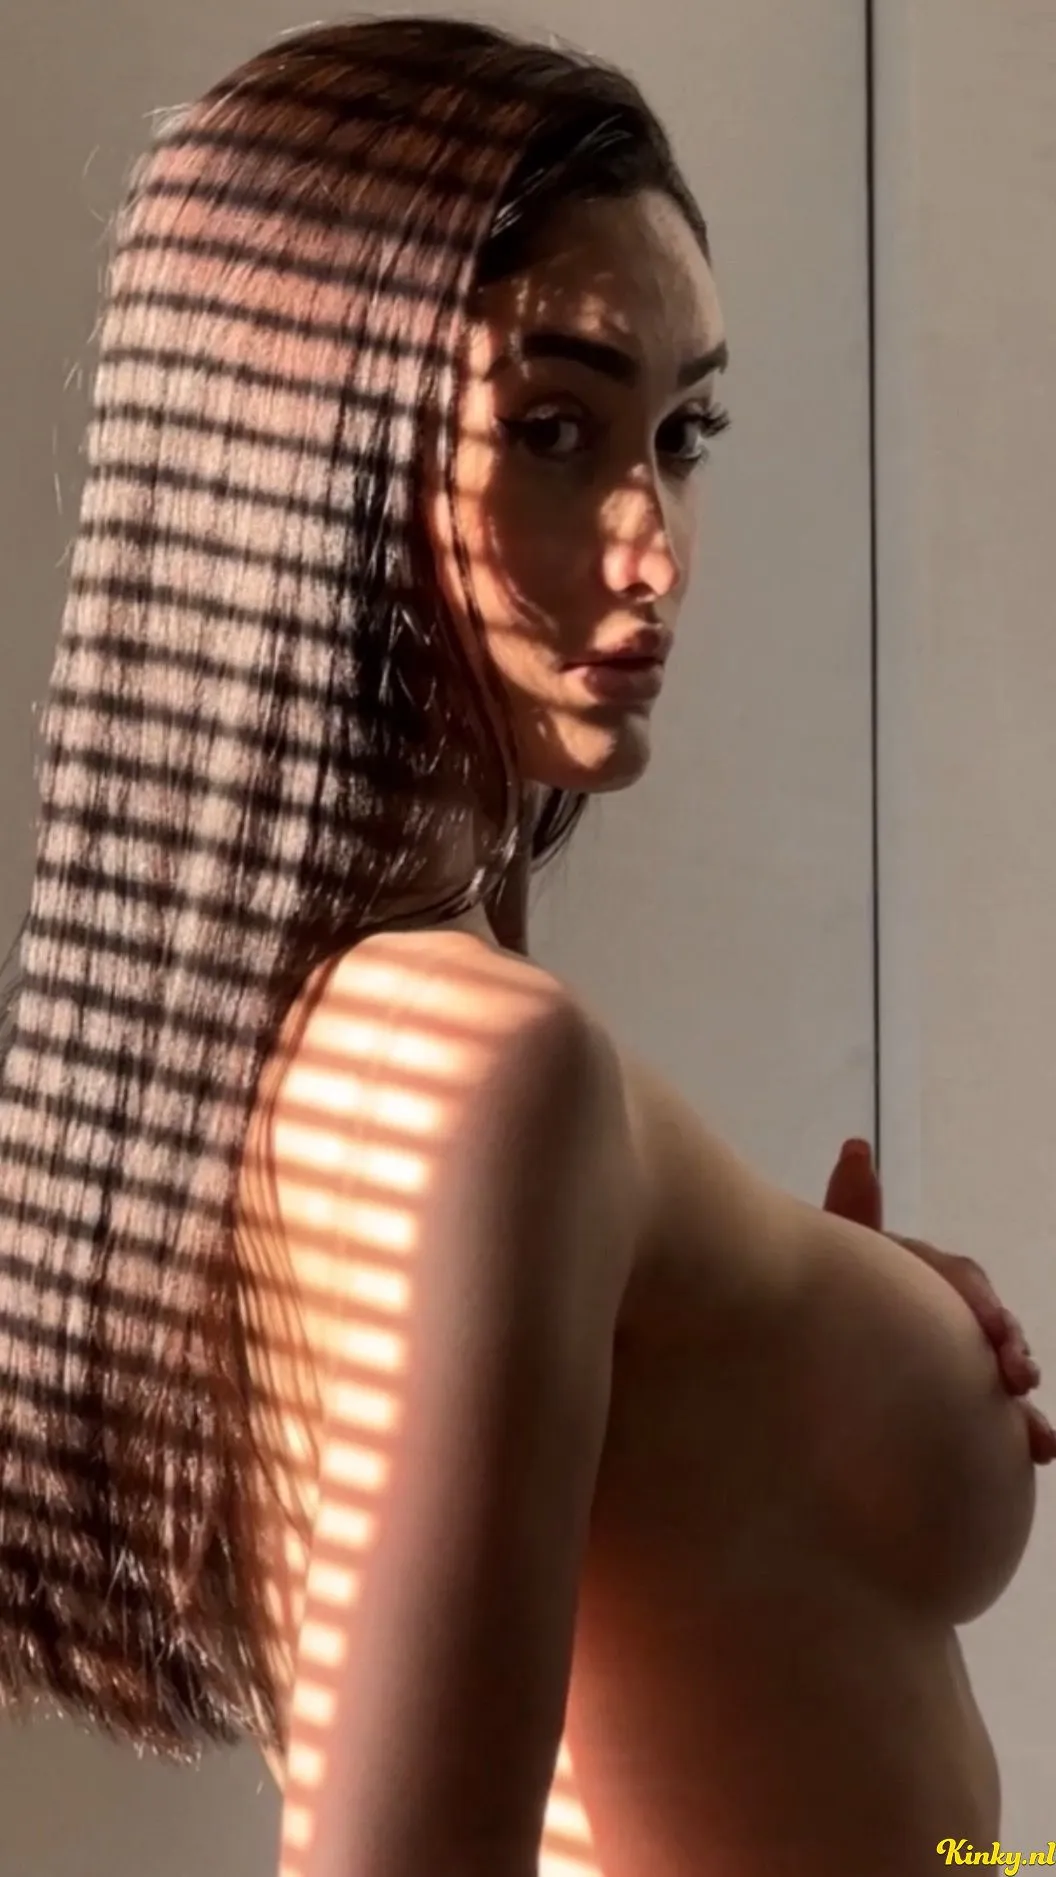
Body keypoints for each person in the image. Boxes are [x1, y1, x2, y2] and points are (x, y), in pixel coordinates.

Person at [0, 14, 1049, 1876]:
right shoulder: (478, 1076)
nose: (655, 550)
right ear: (307, 460)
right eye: (556, 433)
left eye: (681, 434)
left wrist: (811, 1333)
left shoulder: (328, 1049)